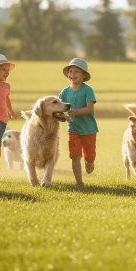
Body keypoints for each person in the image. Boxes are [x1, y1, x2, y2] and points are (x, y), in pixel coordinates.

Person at [59, 58, 98, 186]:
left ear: (84, 75)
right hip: (73, 129)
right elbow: (58, 108)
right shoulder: (65, 92)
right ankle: (79, 182)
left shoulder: (88, 90)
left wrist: (75, 112)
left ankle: (90, 161)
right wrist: (65, 117)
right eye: (70, 71)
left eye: (76, 71)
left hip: (89, 129)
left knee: (90, 155)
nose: (73, 74)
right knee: (75, 156)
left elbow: (89, 108)